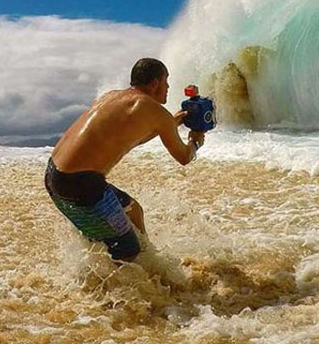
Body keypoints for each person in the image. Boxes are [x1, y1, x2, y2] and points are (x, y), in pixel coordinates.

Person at [44, 58, 204, 261]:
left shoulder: (110, 96)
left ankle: (148, 266)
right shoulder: (155, 111)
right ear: (155, 83)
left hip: (54, 175)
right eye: (166, 81)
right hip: (81, 184)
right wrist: (195, 140)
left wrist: (172, 123)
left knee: (133, 210)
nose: (168, 87)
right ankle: (125, 286)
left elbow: (127, 137)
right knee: (128, 251)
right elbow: (184, 157)